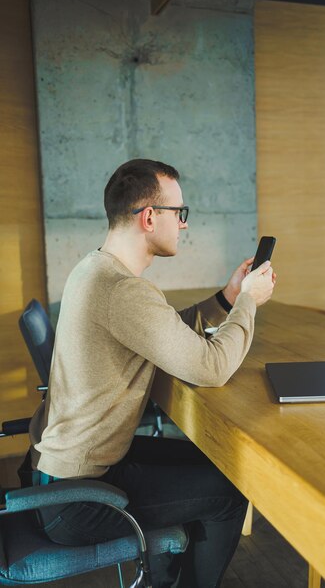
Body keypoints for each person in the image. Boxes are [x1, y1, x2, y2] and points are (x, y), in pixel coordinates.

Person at [24, 158, 276, 587]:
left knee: (211, 466)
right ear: (148, 217)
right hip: (78, 498)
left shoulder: (96, 269)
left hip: (61, 474)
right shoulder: (124, 290)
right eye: (180, 213)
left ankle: (166, 577)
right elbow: (212, 367)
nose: (183, 225)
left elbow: (160, 328)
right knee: (229, 495)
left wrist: (228, 297)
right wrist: (249, 302)